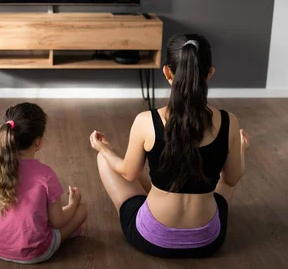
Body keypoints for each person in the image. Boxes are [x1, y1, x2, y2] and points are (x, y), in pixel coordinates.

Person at [91, 34, 250, 259]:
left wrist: (103, 149)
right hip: (206, 241)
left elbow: (129, 173)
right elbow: (232, 179)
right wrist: (240, 149)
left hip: (153, 238)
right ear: (210, 73)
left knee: (106, 161)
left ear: (167, 72)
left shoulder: (147, 120)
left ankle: (154, 196)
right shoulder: (229, 121)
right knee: (227, 174)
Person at [0, 102, 88, 264]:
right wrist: (73, 203)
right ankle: (59, 236)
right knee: (82, 210)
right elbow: (57, 221)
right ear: (38, 142)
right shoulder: (46, 175)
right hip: (36, 252)